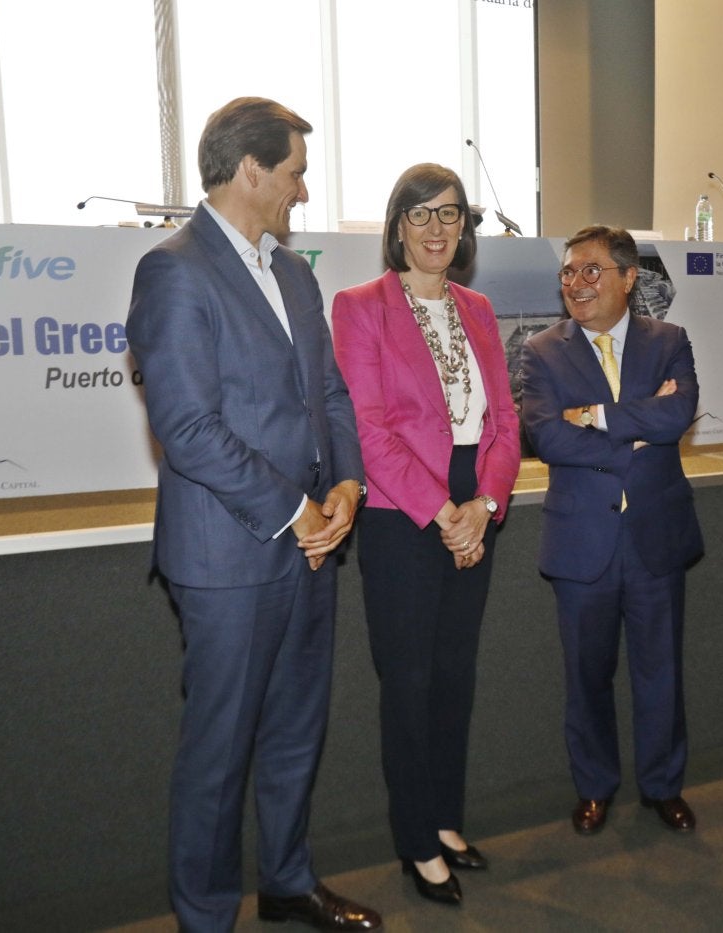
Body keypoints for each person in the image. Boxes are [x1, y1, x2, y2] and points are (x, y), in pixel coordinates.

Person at [126, 97, 380, 932]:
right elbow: (189, 428)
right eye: (296, 172)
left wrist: (346, 487)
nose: (302, 191)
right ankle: (205, 916)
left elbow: (331, 396)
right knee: (219, 754)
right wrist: (297, 511)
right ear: (251, 170)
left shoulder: (295, 274)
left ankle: (287, 880)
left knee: (295, 734)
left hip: (313, 545)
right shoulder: (175, 269)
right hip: (230, 560)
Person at [331, 164, 520, 907]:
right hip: (401, 515)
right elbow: (368, 431)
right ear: (396, 225)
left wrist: (486, 505)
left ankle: (444, 819)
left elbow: (503, 422)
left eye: (451, 215)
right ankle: (414, 838)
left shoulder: (477, 306)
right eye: (421, 215)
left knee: (454, 678)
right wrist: (445, 513)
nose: (438, 230)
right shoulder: (360, 306)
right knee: (408, 684)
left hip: (474, 499)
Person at [519, 225, 704, 836]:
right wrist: (637, 433)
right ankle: (594, 787)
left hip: (655, 536)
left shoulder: (669, 340)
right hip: (582, 545)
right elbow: (545, 435)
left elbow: (678, 414)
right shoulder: (542, 350)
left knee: (662, 673)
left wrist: (596, 418)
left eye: (591, 270)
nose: (577, 283)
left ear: (629, 278)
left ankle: (663, 786)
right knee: (587, 677)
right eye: (569, 272)